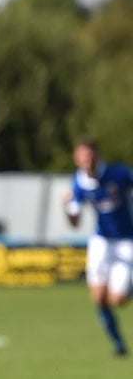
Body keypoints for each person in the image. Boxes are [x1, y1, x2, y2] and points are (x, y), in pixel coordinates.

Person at [63, 138, 133, 357]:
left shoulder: (119, 173)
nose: (86, 159)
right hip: (101, 240)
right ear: (76, 158)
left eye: (89, 155)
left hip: (125, 240)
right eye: (82, 156)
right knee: (99, 298)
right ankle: (118, 344)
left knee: (118, 300)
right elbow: (74, 223)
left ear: (96, 155)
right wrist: (66, 206)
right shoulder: (78, 182)